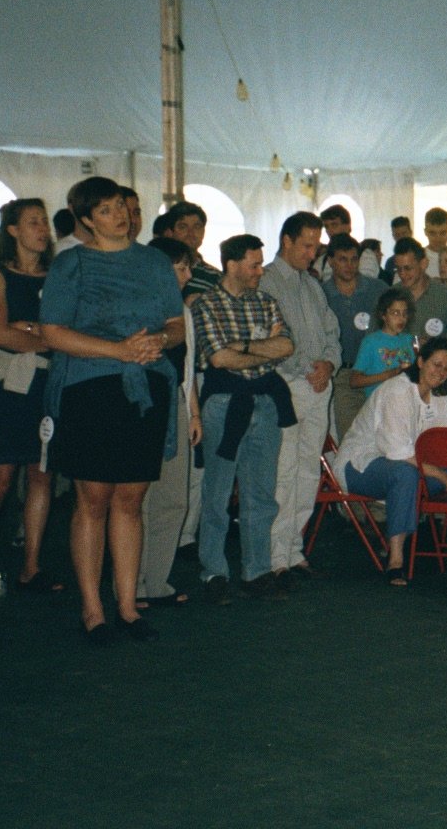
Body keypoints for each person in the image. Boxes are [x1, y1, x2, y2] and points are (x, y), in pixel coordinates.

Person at [40, 176, 184, 643]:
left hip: (147, 386)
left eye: (121, 205)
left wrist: (158, 341)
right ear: (85, 220)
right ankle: (92, 609)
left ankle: (127, 606)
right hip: (90, 388)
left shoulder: (155, 261)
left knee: (130, 501)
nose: (119, 215)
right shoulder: (72, 264)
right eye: (104, 210)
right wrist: (117, 351)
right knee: (93, 500)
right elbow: (54, 333)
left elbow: (176, 325)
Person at [0, 198, 61, 597]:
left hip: (46, 383)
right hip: (11, 384)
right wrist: (44, 337)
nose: (42, 229)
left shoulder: (55, 276)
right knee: (0, 476)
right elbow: (0, 335)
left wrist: (33, 331)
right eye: (33, 222)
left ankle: (31, 566)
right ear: (13, 231)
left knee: (41, 473)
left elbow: (61, 332)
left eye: (45, 222)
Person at [191, 234, 296, 604]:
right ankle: (214, 572)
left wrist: (244, 348)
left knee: (261, 493)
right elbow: (218, 360)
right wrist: (257, 352)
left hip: (265, 402)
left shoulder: (266, 302)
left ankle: (257, 570)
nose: (259, 272)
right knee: (217, 492)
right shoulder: (204, 305)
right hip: (223, 402)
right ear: (231, 264)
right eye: (253, 264)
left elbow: (286, 346)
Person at [334, 338, 447, 586]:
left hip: (409, 465)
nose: (442, 372)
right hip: (361, 464)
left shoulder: (440, 399)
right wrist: (443, 476)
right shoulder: (397, 391)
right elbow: (398, 453)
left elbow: (443, 447)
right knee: (406, 474)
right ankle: (395, 559)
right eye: (437, 364)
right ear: (421, 361)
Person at [259, 211, 342, 583]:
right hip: (286, 385)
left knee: (309, 469)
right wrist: (309, 367)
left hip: (317, 387)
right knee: (283, 470)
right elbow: (271, 338)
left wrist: (329, 363)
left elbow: (331, 332)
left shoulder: (312, 286)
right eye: (306, 246)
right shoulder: (266, 283)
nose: (313, 253)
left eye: (316, 246)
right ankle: (274, 553)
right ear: (286, 242)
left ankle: (294, 548)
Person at [134, 235, 203, 607]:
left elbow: (186, 369)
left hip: (175, 399)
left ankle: (157, 579)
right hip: (143, 400)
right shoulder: (140, 305)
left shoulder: (184, 312)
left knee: (175, 497)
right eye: (181, 268)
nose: (188, 274)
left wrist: (193, 412)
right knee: (137, 498)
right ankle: (133, 583)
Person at [322, 233, 387, 440]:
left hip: (379, 372)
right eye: (342, 259)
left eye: (354, 259)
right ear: (331, 261)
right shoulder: (320, 294)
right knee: (350, 438)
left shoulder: (378, 290)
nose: (349, 265)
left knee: (383, 437)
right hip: (345, 376)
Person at [350, 288, 417, 396]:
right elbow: (354, 381)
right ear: (383, 315)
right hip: (380, 403)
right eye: (395, 313)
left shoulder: (412, 339)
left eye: (405, 313)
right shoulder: (370, 342)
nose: (401, 318)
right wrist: (391, 374)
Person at [389, 236, 447, 347]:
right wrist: (414, 343)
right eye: (399, 269)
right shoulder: (390, 296)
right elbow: (377, 339)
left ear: (423, 264)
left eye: (408, 268)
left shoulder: (446, 297)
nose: (402, 274)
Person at [159, 200, 219, 299]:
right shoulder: (158, 268)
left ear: (204, 231)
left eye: (197, 227)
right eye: (183, 227)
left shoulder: (215, 277)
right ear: (170, 232)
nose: (191, 233)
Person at [316, 204, 380, 280]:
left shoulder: (365, 255)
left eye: (334, 225)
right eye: (326, 226)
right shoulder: (323, 260)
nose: (329, 230)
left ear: (348, 226)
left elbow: (366, 285)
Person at [422, 206, 447, 278]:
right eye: (432, 233)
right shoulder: (417, 260)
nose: (438, 239)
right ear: (425, 232)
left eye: (443, 233)